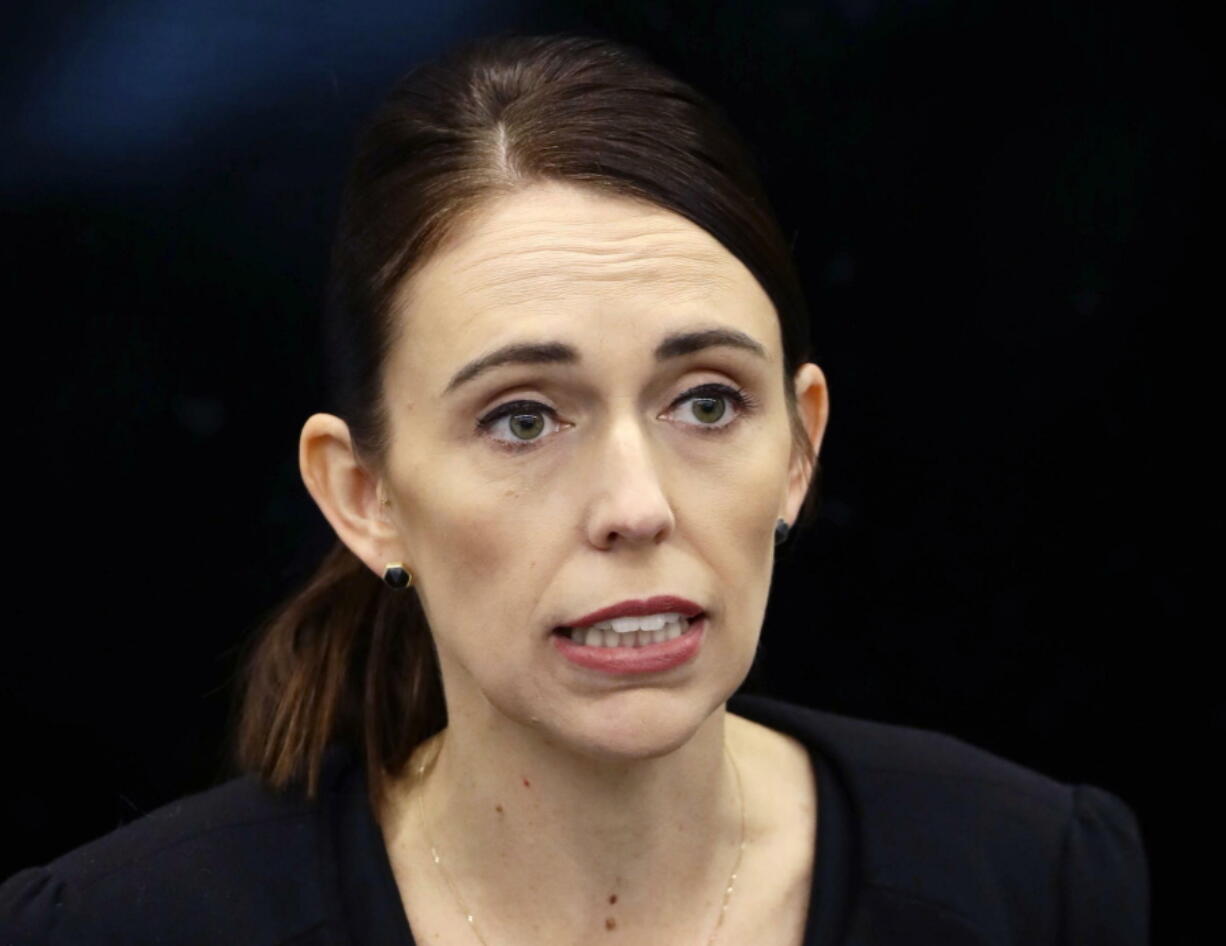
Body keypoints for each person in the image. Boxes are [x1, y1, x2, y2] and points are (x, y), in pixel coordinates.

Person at [0, 29, 1149, 946]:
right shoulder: (130, 924)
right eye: (521, 418)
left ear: (798, 448)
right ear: (363, 495)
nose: (634, 504)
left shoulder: (1027, 880)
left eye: (705, 401)